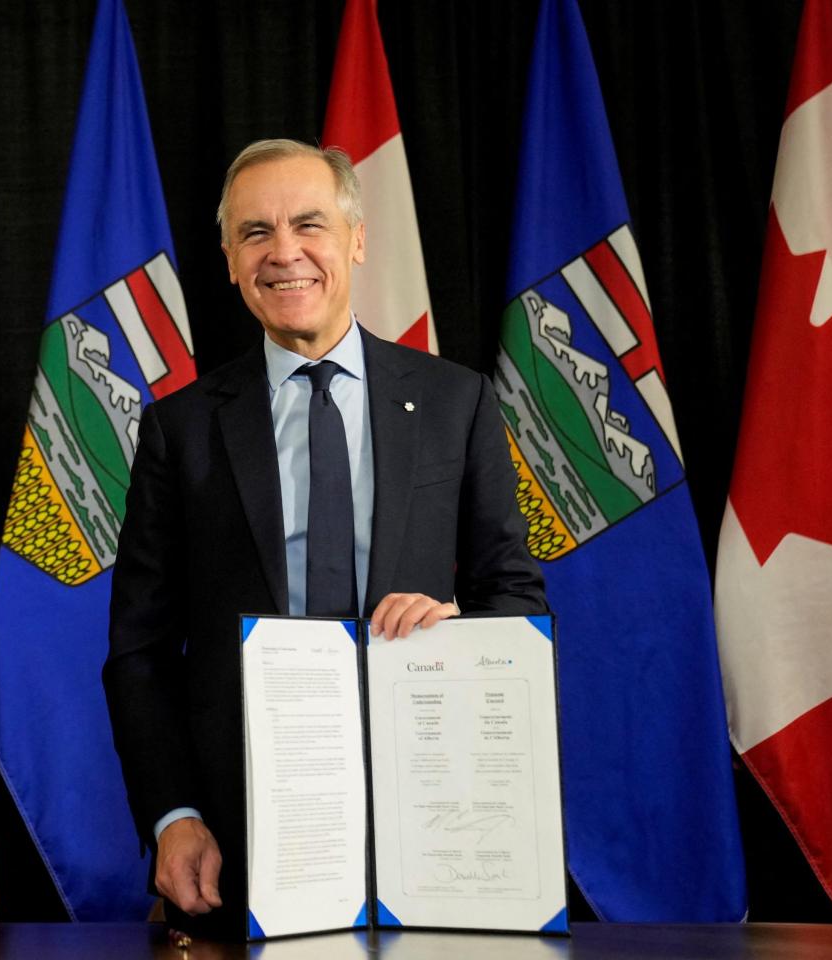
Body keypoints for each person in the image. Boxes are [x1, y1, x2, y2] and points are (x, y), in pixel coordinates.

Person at [103, 139, 546, 940]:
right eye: (255, 233)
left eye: (309, 224)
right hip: (243, 837)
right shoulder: (181, 429)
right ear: (230, 260)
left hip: (435, 823)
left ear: (356, 240)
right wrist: (174, 815)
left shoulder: (456, 403)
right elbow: (140, 649)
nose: (284, 253)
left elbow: (514, 596)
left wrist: (457, 633)